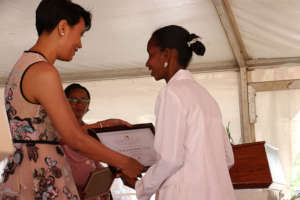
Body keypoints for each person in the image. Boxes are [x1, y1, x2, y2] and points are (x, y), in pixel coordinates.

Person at [0, 0, 143, 199]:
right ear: (62, 27)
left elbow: (46, 132)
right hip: (42, 175)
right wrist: (126, 162)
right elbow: (73, 139)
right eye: (81, 34)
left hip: (22, 171)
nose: (80, 44)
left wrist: (102, 125)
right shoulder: (43, 71)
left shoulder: (23, 66)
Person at [123, 25, 236, 200]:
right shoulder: (205, 96)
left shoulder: (171, 93)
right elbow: (228, 158)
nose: (147, 63)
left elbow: (170, 159)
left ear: (167, 55)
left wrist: (140, 186)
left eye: (151, 54)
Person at [63, 83, 129, 200]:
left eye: (84, 100)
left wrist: (110, 173)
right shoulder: (57, 131)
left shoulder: (92, 133)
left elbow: (96, 162)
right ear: (64, 103)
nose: (79, 104)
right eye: (73, 99)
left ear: (88, 105)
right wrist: (103, 124)